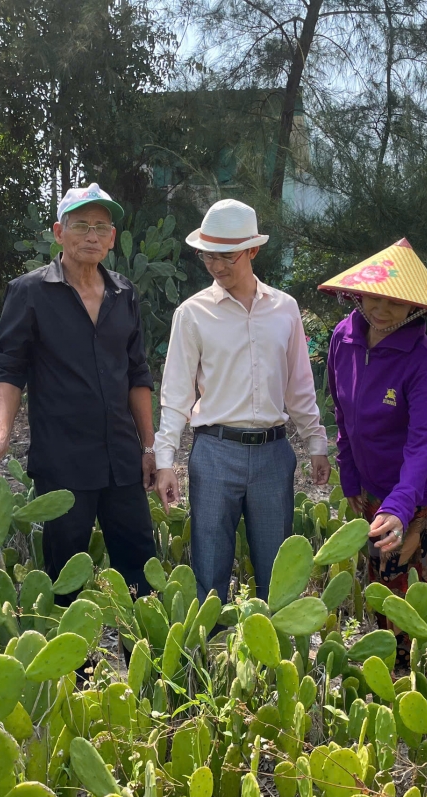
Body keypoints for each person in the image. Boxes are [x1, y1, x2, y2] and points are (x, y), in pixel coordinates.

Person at [0, 183, 158, 600]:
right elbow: (10, 368)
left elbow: (138, 373)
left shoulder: (124, 293)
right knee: (64, 572)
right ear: (59, 232)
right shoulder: (30, 292)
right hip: (63, 458)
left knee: (139, 567)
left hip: (121, 457)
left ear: (112, 238)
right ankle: (68, 645)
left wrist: (148, 446)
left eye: (101, 227)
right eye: (81, 226)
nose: (92, 236)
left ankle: (141, 644)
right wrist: (2, 431)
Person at [154, 199, 330, 603]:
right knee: (208, 574)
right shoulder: (192, 313)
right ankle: (209, 645)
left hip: (273, 455)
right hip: (214, 453)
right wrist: (165, 460)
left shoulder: (285, 309)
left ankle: (273, 646)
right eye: (207, 256)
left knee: (276, 574)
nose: (216, 266)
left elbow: (300, 385)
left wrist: (316, 443)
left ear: (253, 250)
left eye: (225, 256)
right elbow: (176, 394)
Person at [319, 238, 427, 594]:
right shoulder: (343, 338)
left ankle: (408, 635)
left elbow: (424, 440)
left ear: (414, 305)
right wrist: (349, 472)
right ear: (360, 293)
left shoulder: (421, 359)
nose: (382, 310)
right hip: (371, 475)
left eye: (395, 302)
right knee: (379, 572)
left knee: (410, 586)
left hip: (417, 485)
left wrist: (401, 504)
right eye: (374, 297)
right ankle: (381, 631)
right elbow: (342, 411)